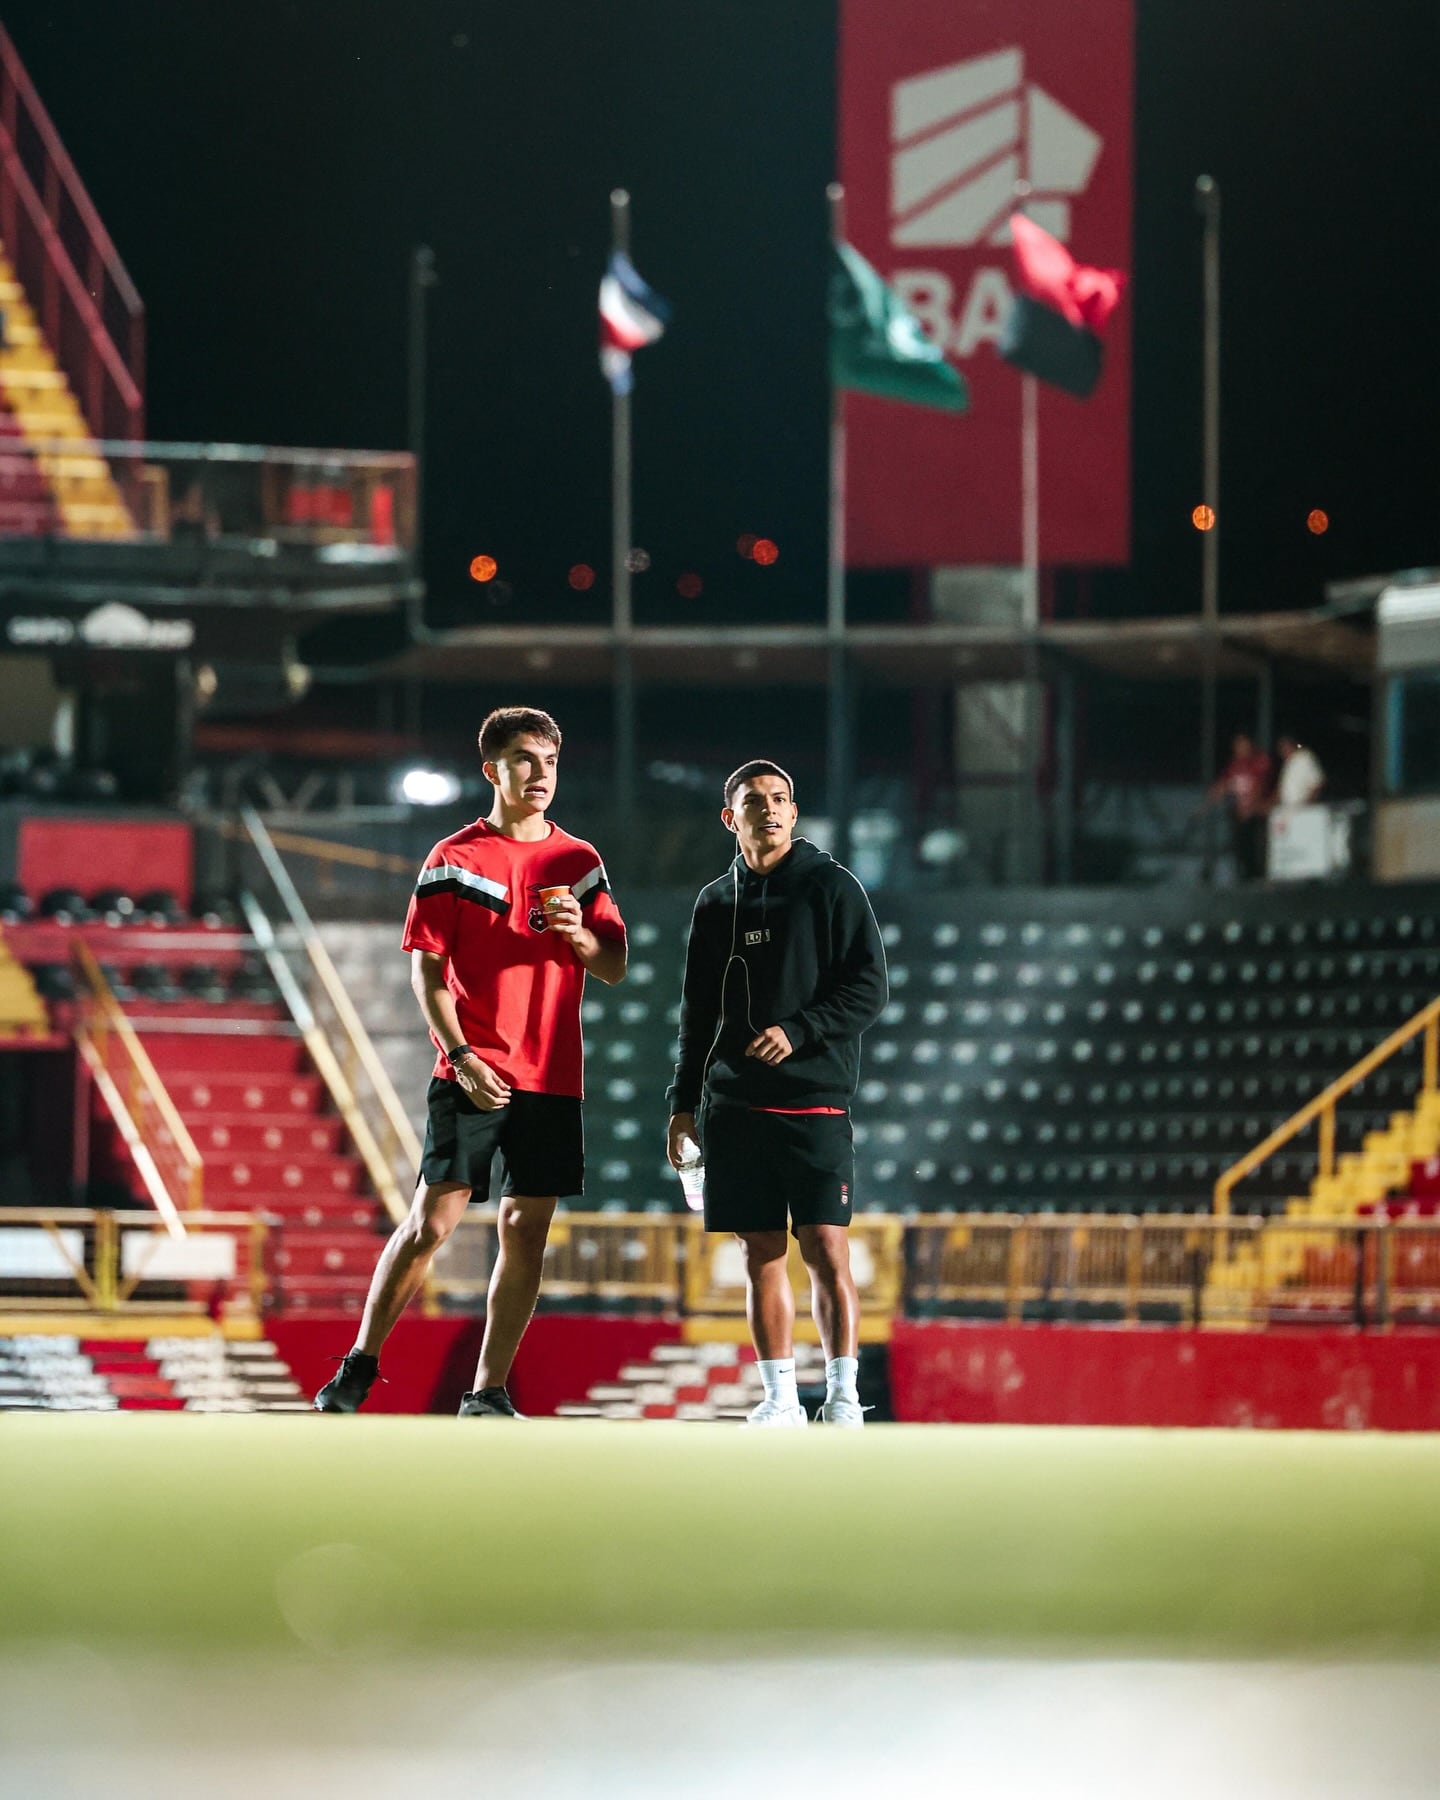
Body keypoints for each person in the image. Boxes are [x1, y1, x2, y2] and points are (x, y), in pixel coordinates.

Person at [315, 706, 627, 1415]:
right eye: (523, 759)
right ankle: (360, 1365)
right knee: (432, 1223)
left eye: (549, 761)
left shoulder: (579, 863)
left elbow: (613, 966)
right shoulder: (453, 858)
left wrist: (581, 938)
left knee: (527, 1234)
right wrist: (459, 1054)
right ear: (492, 770)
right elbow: (426, 973)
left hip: (553, 1076)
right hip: (471, 1066)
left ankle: (486, 1391)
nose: (539, 774)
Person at [666, 760, 888, 1428]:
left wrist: (800, 1031)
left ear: (794, 813)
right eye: (754, 801)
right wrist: (681, 1106)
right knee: (758, 1252)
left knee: (824, 1245)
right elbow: (696, 1013)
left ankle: (843, 1397)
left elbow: (869, 987)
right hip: (732, 1109)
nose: (770, 809)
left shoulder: (831, 886)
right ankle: (781, 1399)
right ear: (730, 818)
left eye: (781, 799)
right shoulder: (714, 902)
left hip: (814, 1101)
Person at [1201, 731, 1274, 881]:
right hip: (1239, 813)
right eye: (1237, 746)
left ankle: (1258, 873)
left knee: (1256, 843)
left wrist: (1250, 807)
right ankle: (1244, 873)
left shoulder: (1259, 762)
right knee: (1240, 842)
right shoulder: (1234, 765)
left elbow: (1261, 786)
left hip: (1256, 813)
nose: (1240, 749)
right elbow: (1223, 785)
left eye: (1243, 745)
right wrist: (1206, 805)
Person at [1274, 735, 1325, 811]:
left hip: (1304, 809)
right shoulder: (1288, 763)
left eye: (1284, 746)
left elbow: (1318, 783)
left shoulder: (1305, 757)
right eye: (1280, 748)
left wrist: (1308, 804)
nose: (1282, 751)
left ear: (1291, 745)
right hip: (1287, 809)